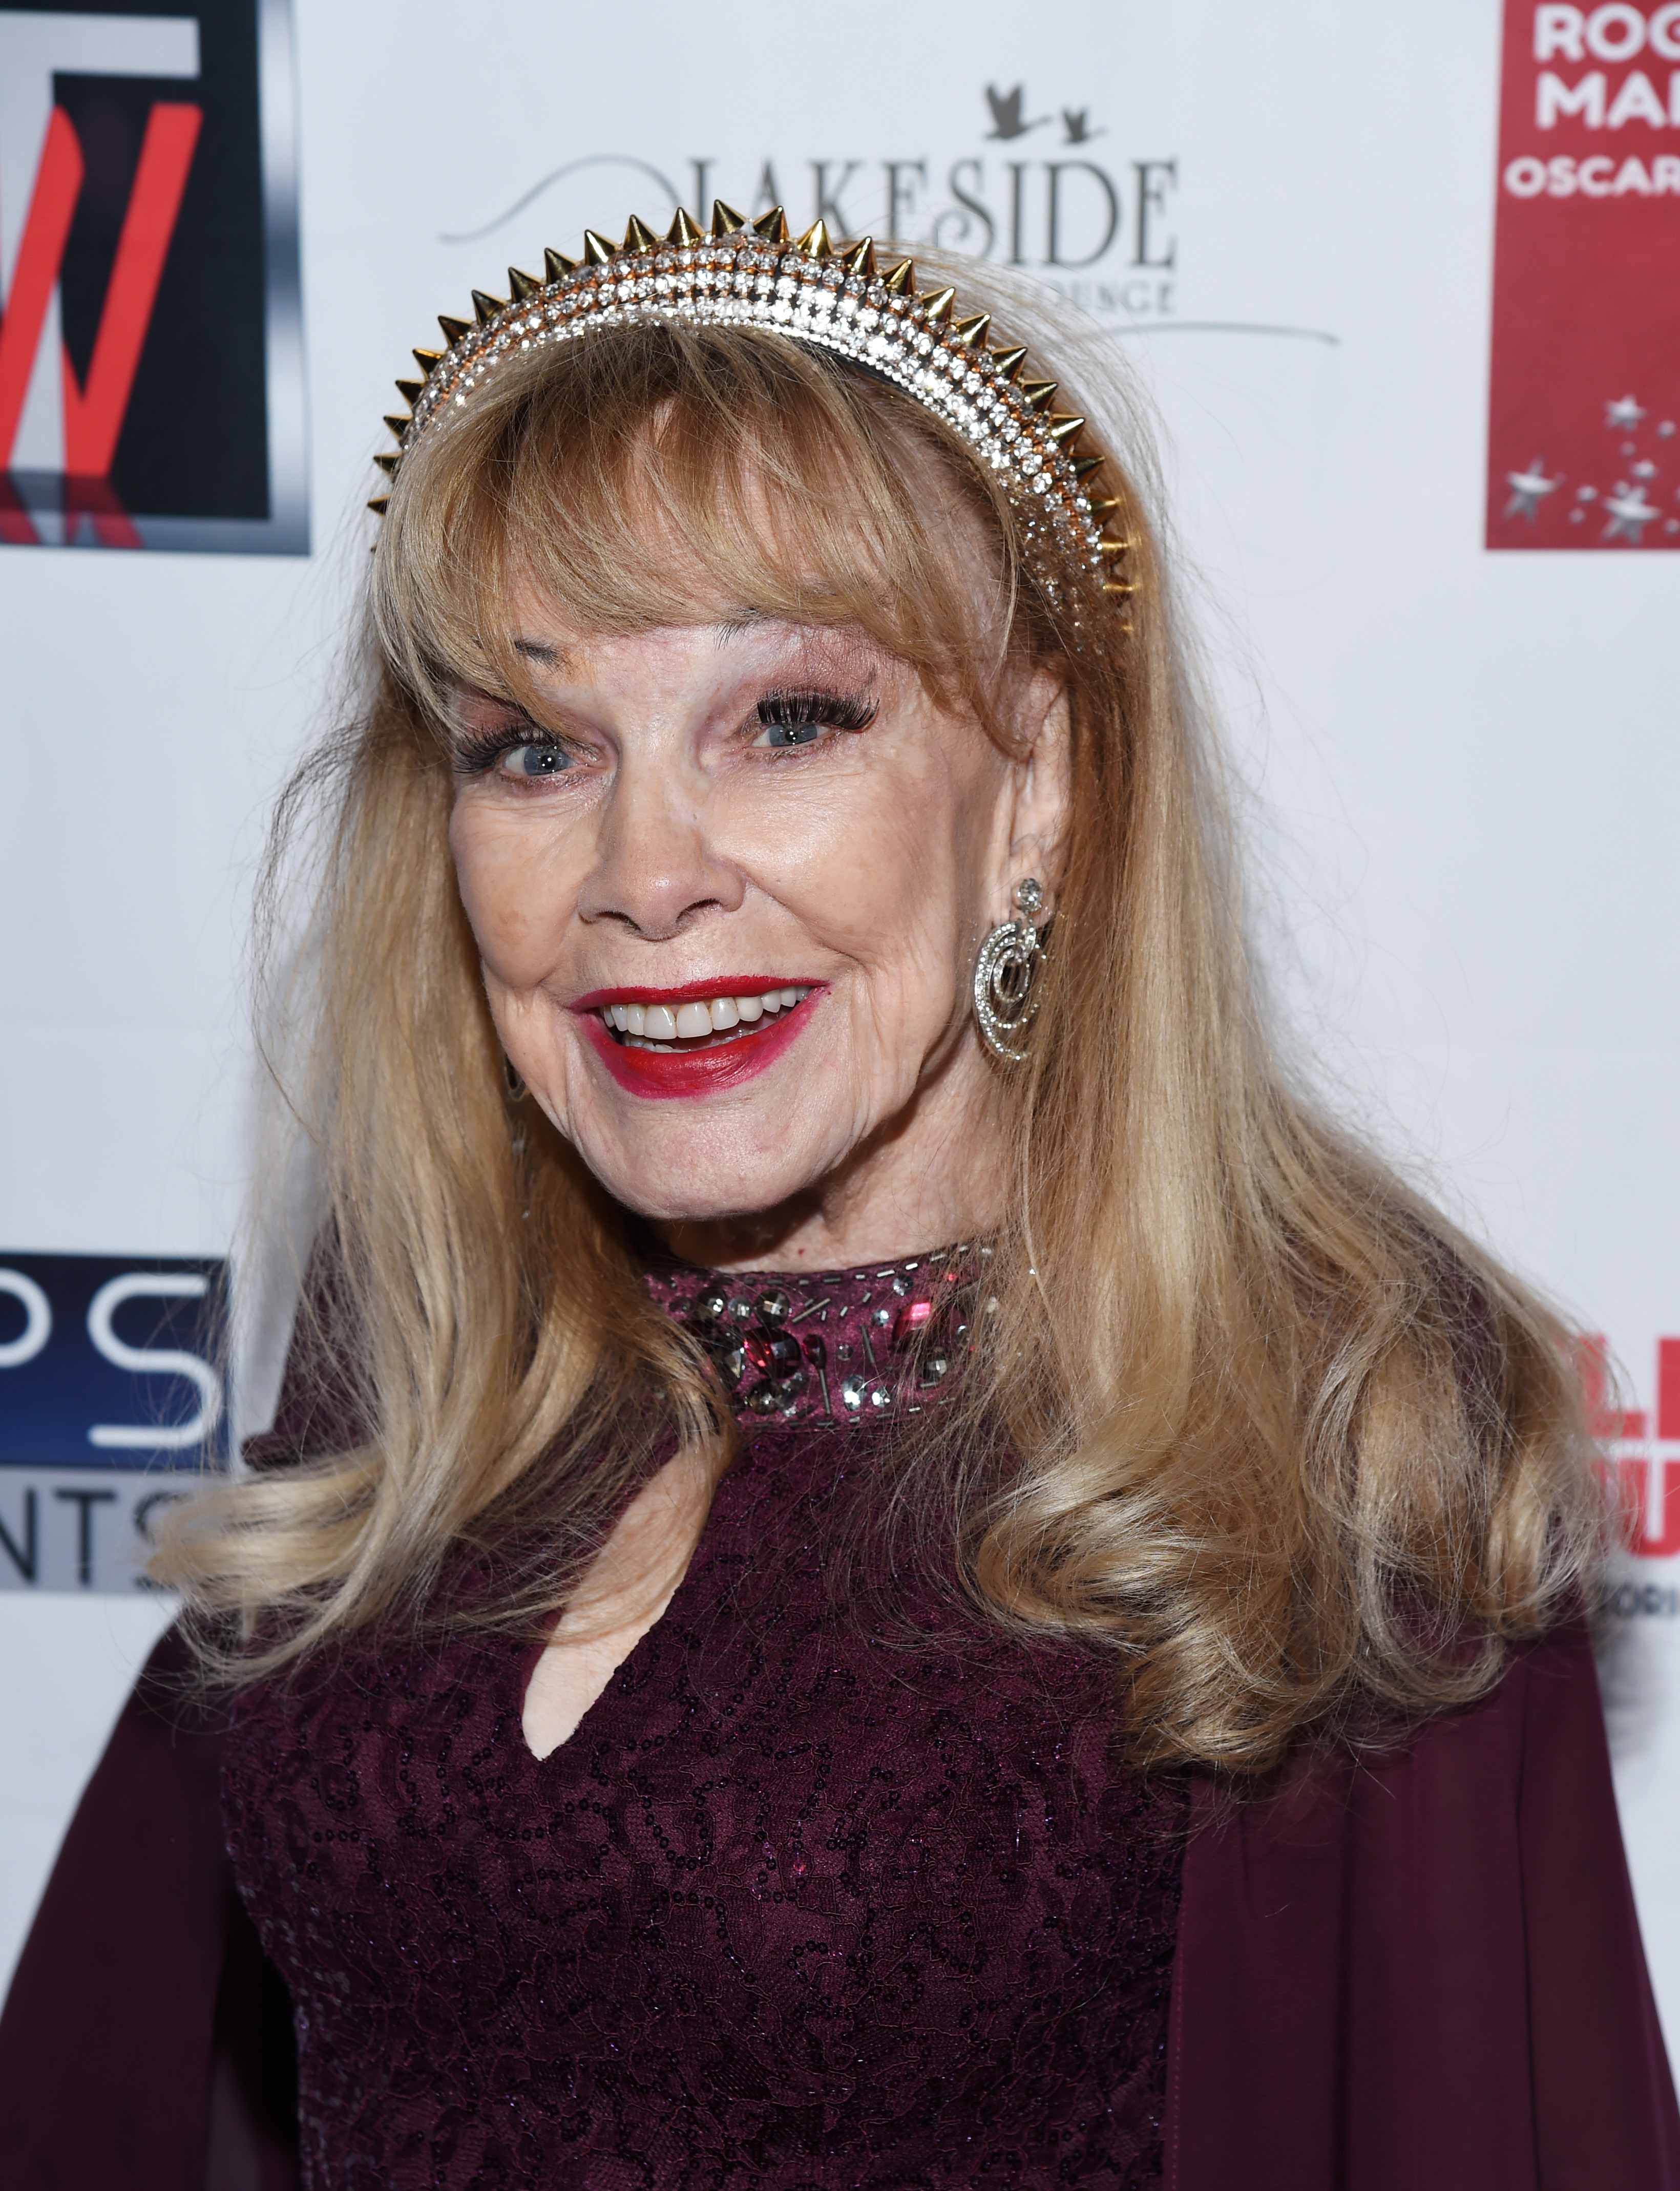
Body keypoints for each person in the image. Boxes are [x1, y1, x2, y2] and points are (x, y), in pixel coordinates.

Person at [1, 202, 1674, 2191]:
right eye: (535, 746)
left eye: (786, 719)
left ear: (1037, 783)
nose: (645, 867)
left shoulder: (1326, 1403)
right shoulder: (435, 1314)